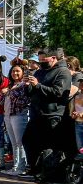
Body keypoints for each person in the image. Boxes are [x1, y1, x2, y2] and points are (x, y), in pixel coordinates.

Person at [22, 48, 72, 176]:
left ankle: (48, 173)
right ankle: (35, 168)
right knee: (28, 140)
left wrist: (38, 85)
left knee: (48, 145)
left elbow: (58, 92)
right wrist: (28, 85)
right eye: (39, 60)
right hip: (37, 113)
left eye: (43, 59)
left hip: (52, 114)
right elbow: (31, 93)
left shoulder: (63, 72)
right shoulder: (40, 72)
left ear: (53, 58)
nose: (41, 62)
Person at [1, 62, 30, 175]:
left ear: (22, 72)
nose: (15, 73)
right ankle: (15, 166)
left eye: (17, 71)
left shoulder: (24, 84)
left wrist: (9, 92)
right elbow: (1, 101)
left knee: (20, 142)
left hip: (19, 115)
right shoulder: (10, 85)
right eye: (13, 71)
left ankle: (21, 168)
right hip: (8, 115)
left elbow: (24, 101)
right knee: (13, 143)